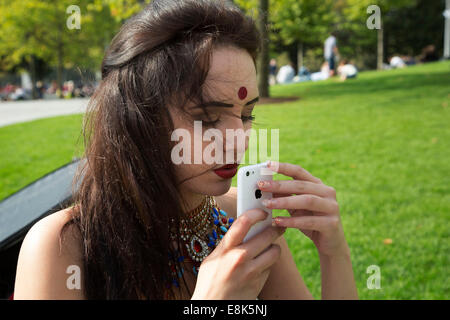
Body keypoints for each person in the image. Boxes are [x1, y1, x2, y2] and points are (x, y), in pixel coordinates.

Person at [14, 0, 358, 300]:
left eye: (247, 114)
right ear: (138, 120)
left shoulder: (245, 219)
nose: (239, 139)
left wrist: (334, 255)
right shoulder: (63, 247)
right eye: (208, 118)